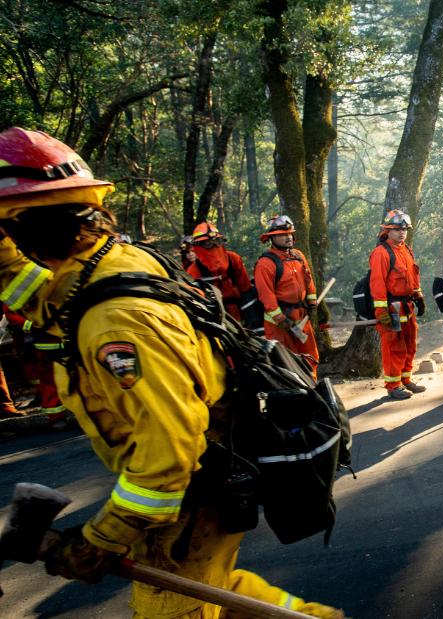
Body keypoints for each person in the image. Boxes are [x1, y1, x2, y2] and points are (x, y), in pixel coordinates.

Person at [0, 127, 343, 617]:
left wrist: (102, 539)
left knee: (175, 607)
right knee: (216, 592)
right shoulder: (105, 266)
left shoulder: (115, 319)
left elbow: (167, 456)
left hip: (193, 490)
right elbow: (44, 297)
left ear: (27, 230)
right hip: (206, 470)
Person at [369, 209, 426, 399]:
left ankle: (405, 379)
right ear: (387, 230)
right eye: (397, 229)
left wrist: (419, 296)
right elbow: (377, 284)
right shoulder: (381, 253)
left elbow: (413, 276)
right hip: (391, 308)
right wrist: (381, 311)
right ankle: (393, 385)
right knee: (394, 347)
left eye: (404, 229)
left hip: (407, 307)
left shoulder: (406, 250)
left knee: (410, 344)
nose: (402, 232)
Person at [253, 215, 320, 374]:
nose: (288, 237)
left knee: (310, 356)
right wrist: (280, 319)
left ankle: (312, 391)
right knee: (286, 362)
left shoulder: (298, 256)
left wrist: (312, 303)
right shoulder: (265, 263)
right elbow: (266, 295)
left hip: (301, 317)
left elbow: (308, 280)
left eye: (290, 233)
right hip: (279, 323)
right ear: (272, 237)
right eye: (283, 234)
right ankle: (294, 396)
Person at [3, 304, 68, 429]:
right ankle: (56, 417)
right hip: (45, 339)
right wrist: (33, 325)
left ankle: (88, 411)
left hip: (65, 334)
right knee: (49, 378)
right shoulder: (14, 290)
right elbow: (12, 313)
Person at [186, 221, 254, 321]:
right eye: (207, 244)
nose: (213, 247)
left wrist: (250, 317)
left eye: (217, 242)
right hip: (216, 317)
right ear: (198, 247)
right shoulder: (194, 271)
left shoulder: (233, 259)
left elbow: (245, 288)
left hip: (240, 310)